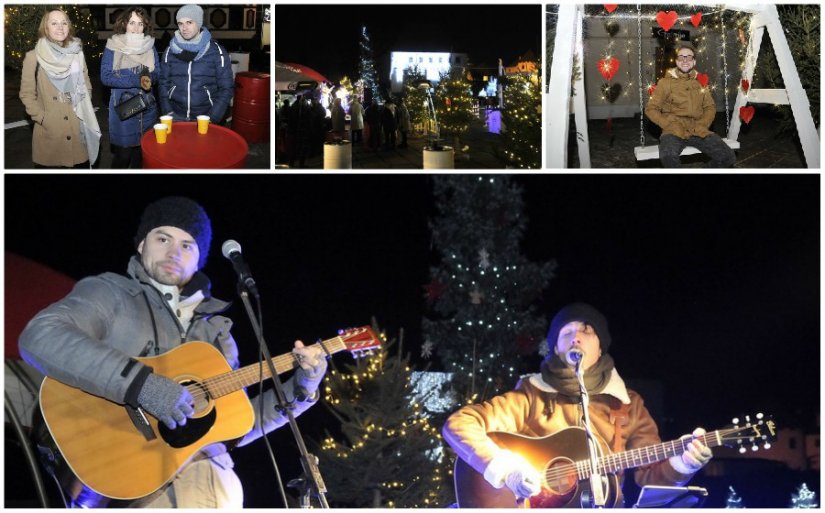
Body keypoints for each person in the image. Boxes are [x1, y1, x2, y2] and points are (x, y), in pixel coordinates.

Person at [19, 196, 328, 507]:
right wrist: (141, 385)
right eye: (162, 238)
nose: (173, 252)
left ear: (199, 260)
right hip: (129, 484)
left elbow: (234, 425)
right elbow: (42, 335)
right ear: (141, 244)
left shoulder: (217, 332)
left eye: (187, 245)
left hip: (214, 486)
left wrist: (303, 387)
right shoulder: (110, 292)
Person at [443, 303, 712, 506]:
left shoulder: (628, 405)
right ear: (557, 349)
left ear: (599, 348)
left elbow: (650, 478)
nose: (576, 337)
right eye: (567, 331)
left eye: (587, 330)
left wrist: (683, 464)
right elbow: (460, 424)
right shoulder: (530, 395)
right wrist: (505, 468)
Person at [19, 8, 101, 168]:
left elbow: (85, 81)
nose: (60, 27)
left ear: (69, 27)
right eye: (54, 23)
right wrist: (43, 118)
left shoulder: (77, 52)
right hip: (50, 134)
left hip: (78, 127)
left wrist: (85, 104)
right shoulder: (33, 57)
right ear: (46, 28)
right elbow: (26, 94)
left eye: (64, 22)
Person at [645, 43, 736, 168]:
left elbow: (710, 107)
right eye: (681, 57)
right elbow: (651, 109)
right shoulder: (665, 83)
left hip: (698, 128)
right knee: (668, 155)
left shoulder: (701, 82)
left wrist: (703, 123)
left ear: (694, 61)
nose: (685, 60)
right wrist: (667, 124)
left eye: (689, 57)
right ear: (676, 61)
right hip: (673, 130)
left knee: (728, 156)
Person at [101, 7, 160, 168]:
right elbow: (105, 77)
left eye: (140, 24)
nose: (135, 28)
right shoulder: (113, 46)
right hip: (124, 109)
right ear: (124, 24)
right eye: (132, 23)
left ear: (145, 26)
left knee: (140, 154)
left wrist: (150, 78)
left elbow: (157, 74)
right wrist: (137, 80)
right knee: (123, 155)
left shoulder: (150, 46)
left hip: (147, 108)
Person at [159, 5, 234, 122]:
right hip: (175, 115)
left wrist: (212, 117)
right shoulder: (169, 51)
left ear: (199, 23)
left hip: (205, 117)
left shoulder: (217, 52)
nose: (184, 28)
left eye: (189, 22)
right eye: (180, 23)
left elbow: (226, 88)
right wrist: (168, 111)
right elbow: (163, 83)